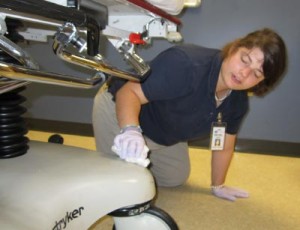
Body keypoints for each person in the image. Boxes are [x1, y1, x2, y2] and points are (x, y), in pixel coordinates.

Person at [92, 28, 287, 201]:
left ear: (261, 83)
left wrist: (217, 185)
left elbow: (224, 146)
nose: (244, 74)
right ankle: (110, 157)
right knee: (122, 188)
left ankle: (134, 158)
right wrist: (131, 130)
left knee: (175, 178)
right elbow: (130, 92)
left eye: (256, 74)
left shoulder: (237, 103)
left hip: (164, 129)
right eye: (245, 60)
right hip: (122, 107)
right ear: (235, 47)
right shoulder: (186, 63)